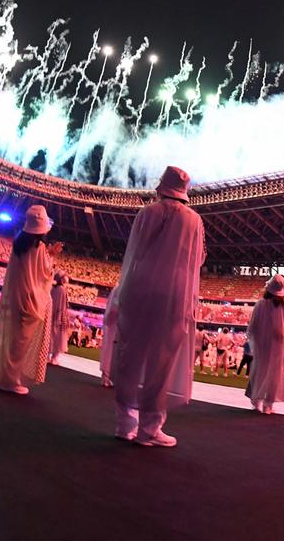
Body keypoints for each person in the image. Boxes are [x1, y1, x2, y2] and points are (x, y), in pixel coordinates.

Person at [112, 166, 206, 447]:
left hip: (140, 290)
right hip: (174, 297)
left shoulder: (147, 212)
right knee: (160, 363)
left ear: (161, 187)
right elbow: (198, 261)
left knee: (130, 356)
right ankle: (150, 428)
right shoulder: (194, 220)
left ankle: (124, 422)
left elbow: (135, 251)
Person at [0, 205, 56, 395]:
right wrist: (51, 257)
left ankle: (6, 376)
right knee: (20, 343)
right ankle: (10, 380)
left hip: (17, 296)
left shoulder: (20, 243)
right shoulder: (38, 247)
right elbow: (43, 274)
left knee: (15, 340)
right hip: (30, 300)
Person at [245, 274, 284, 414]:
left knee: (260, 371)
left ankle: (256, 403)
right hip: (279, 345)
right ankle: (269, 405)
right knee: (275, 375)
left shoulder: (261, 303)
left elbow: (253, 327)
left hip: (263, 345)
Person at [99, 285, 120, 387]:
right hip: (114, 325)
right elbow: (114, 308)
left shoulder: (118, 288)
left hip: (114, 324)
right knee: (110, 350)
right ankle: (106, 377)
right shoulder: (119, 288)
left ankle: (108, 377)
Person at [49, 270, 71, 365]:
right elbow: (62, 306)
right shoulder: (62, 290)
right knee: (59, 338)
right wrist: (60, 318)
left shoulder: (53, 289)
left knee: (51, 337)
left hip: (52, 315)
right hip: (59, 317)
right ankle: (54, 357)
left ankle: (49, 356)